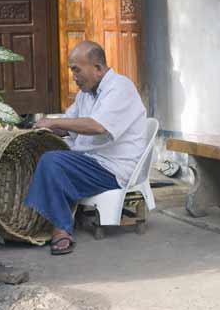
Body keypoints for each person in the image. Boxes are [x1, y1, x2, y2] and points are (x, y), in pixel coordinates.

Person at [25, 41, 147, 255]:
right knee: (41, 153)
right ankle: (42, 217)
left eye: (76, 69)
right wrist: (41, 129)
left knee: (53, 161)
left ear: (98, 68)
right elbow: (69, 124)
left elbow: (97, 126)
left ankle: (60, 228)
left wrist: (54, 123)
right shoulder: (86, 93)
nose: (73, 76)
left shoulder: (120, 87)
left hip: (113, 169)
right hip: (92, 161)